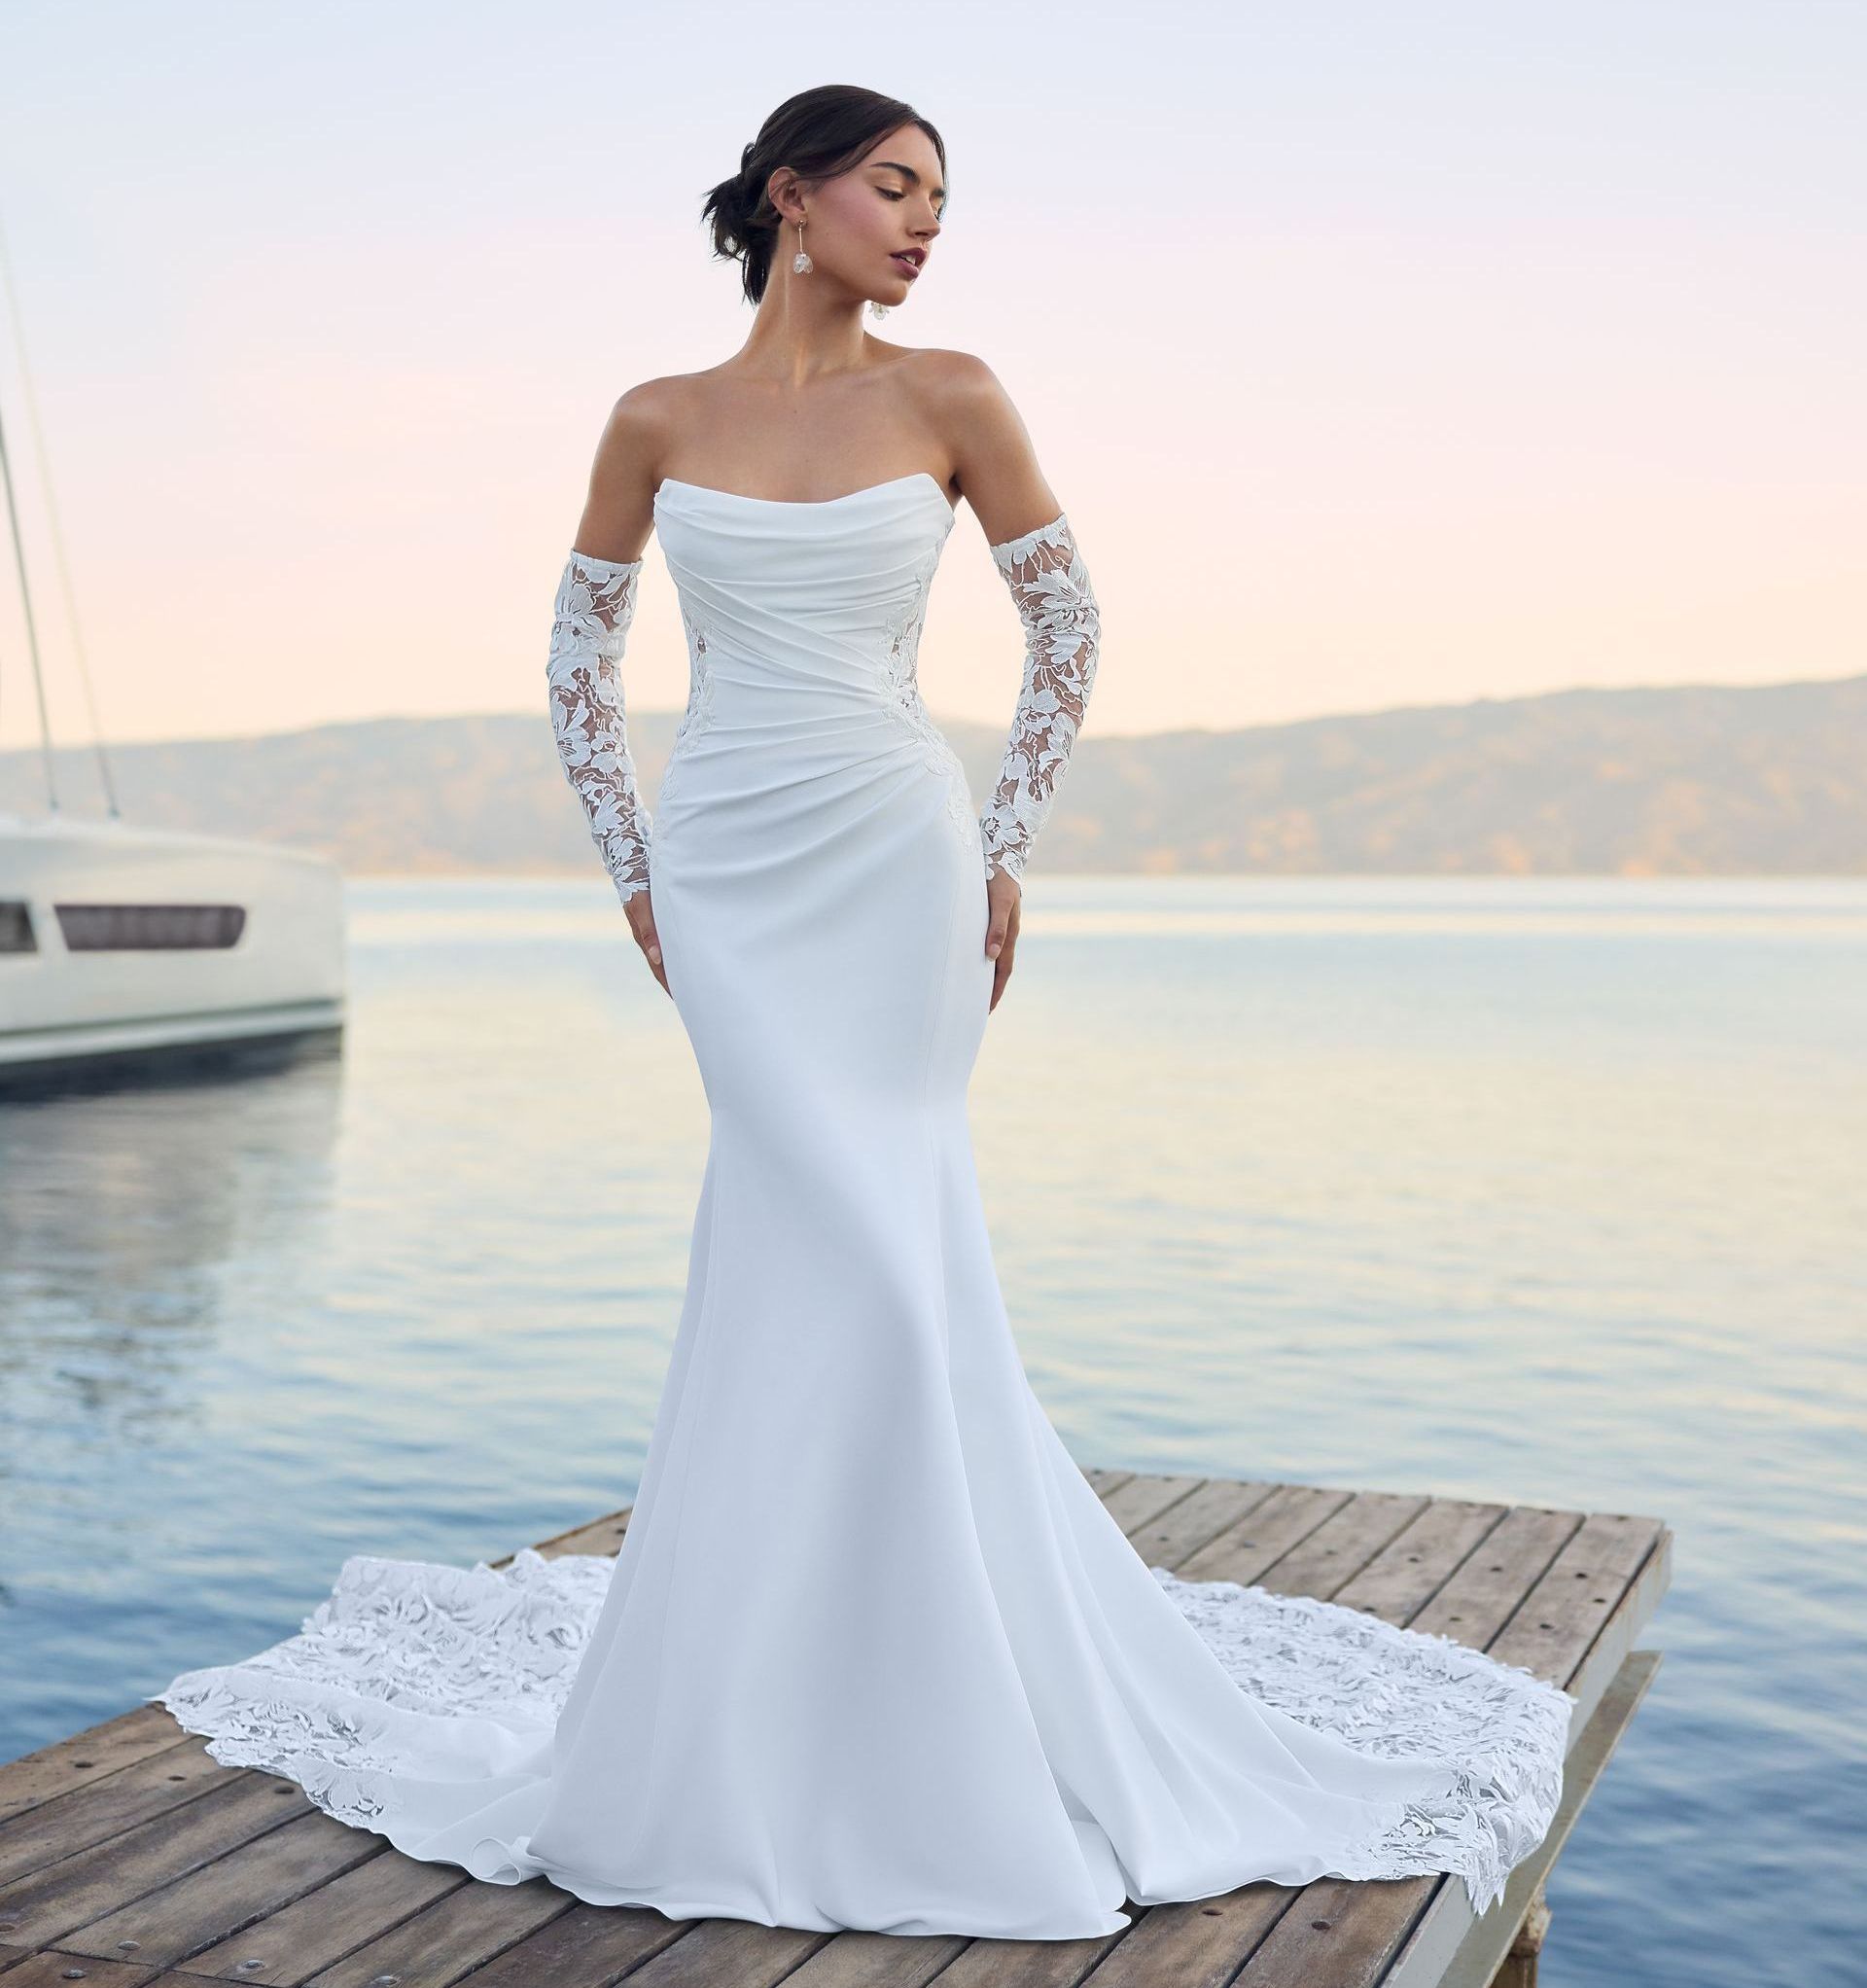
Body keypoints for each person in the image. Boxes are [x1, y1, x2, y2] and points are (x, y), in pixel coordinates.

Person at [153, 85, 1575, 1941]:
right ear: (788, 197)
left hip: (898, 857)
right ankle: (769, 1702)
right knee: (788, 1235)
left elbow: (1071, 630)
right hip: (733, 868)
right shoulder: (654, 418)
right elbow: (579, 656)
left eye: (940, 199)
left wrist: (1002, 843)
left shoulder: (955, 394)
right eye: (894, 188)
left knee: (894, 1251)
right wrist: (635, 869)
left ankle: (939, 1699)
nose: (924, 224)